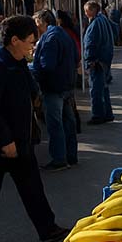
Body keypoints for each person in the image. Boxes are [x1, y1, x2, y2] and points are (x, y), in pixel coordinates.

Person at [0, 16, 69, 242]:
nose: (32, 46)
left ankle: (47, 228)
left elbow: (26, 85)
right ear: (14, 40)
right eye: (30, 41)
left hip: (18, 138)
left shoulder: (15, 58)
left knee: (31, 184)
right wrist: (5, 140)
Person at [32, 10, 79, 171]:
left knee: (55, 124)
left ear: (43, 21)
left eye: (36, 22)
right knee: (68, 122)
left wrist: (34, 70)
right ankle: (71, 156)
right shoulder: (64, 34)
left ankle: (59, 159)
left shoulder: (50, 38)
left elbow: (47, 65)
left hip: (54, 87)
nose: (35, 26)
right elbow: (76, 57)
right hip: (66, 85)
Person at [83, 1, 115, 124]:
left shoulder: (95, 23)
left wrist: (89, 59)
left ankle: (98, 115)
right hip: (104, 60)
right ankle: (107, 113)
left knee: (96, 89)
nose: (85, 14)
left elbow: (91, 42)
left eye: (86, 11)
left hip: (97, 61)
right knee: (103, 88)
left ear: (92, 10)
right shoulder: (103, 20)